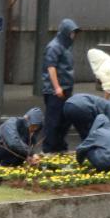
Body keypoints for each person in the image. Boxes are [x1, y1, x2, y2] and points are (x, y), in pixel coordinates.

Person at [40, 18, 78, 150]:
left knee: (64, 120)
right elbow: (51, 67)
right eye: (72, 32)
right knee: (53, 121)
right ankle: (49, 148)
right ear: (66, 32)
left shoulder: (66, 46)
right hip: (55, 91)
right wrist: (57, 87)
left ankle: (59, 145)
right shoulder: (54, 46)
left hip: (65, 89)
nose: (74, 35)